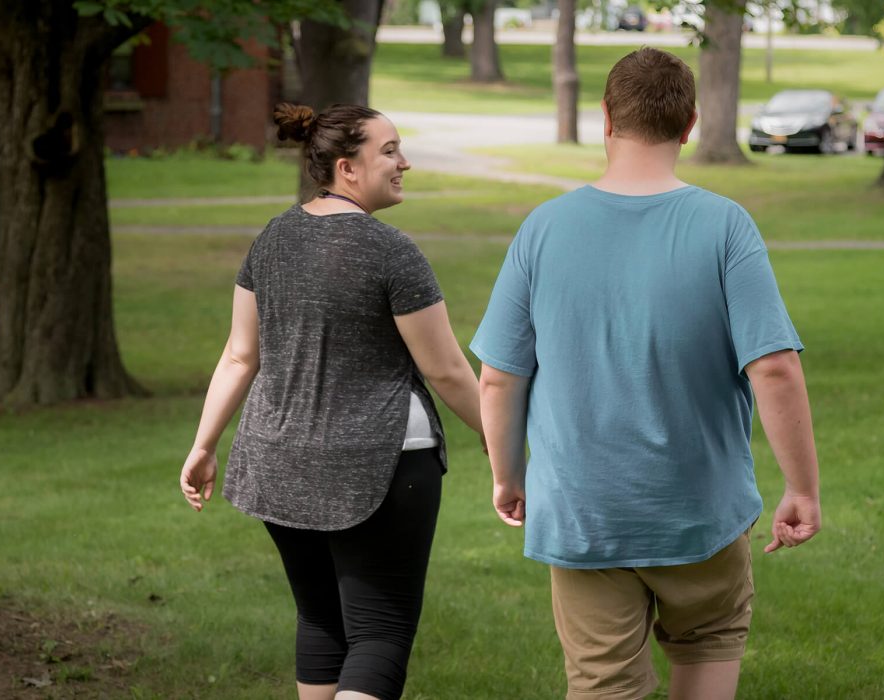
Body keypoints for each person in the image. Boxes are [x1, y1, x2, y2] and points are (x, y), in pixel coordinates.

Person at [471, 48, 822, 700]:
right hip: (702, 513)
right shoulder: (724, 226)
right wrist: (801, 487)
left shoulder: (544, 229)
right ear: (690, 123)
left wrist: (508, 475)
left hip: (583, 512)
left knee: (603, 686)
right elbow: (773, 367)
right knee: (708, 657)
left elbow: (499, 376)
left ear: (605, 117)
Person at [178, 102, 483, 700]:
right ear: (347, 168)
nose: (405, 163)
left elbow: (241, 354)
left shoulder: (272, 237)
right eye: (390, 151)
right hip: (380, 461)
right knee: (380, 633)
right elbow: (446, 370)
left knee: (321, 619)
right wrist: (505, 445)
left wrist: (204, 444)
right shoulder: (391, 251)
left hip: (277, 459)